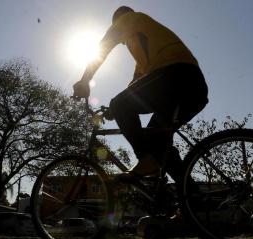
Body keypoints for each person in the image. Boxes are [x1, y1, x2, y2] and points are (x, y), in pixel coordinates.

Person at [73, 6, 208, 182]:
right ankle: (191, 197)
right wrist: (115, 111)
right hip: (193, 87)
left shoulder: (130, 18)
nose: (121, 41)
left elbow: (103, 46)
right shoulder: (145, 54)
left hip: (175, 74)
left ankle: (144, 160)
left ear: (119, 20)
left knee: (120, 104)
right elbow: (135, 87)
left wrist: (85, 80)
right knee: (157, 143)